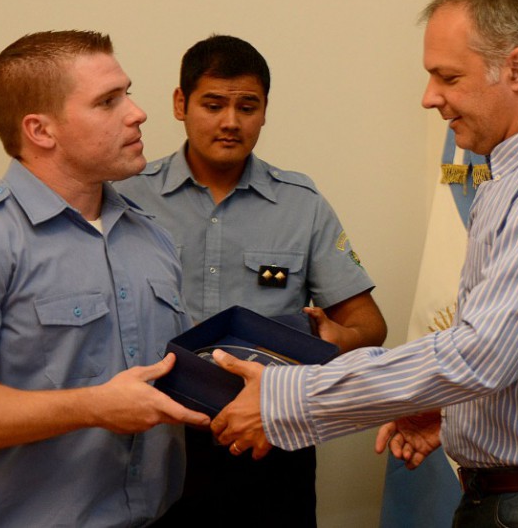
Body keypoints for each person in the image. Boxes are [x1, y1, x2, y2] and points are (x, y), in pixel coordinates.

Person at [208, 0, 518, 527]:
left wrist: (292, 397)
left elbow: (481, 354)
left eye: (447, 77)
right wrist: (456, 412)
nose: (430, 99)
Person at [0, 31, 211, 527]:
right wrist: (94, 407)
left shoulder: (150, 237)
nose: (137, 112)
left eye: (128, 92)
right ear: (41, 131)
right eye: (108, 101)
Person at [114, 34, 387, 526]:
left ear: (265, 110)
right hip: (156, 439)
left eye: (247, 106)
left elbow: (369, 326)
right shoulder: (126, 198)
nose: (230, 122)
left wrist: (337, 338)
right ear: (180, 104)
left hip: (269, 439)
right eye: (213, 104)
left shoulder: (300, 204)